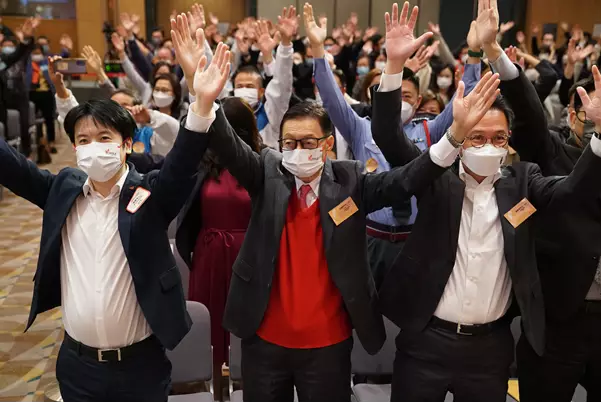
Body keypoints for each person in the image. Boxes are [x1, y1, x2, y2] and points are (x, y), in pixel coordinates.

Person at [377, 2, 602, 402]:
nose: (488, 145)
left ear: (509, 143)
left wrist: (599, 138)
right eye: (477, 137)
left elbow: (569, 191)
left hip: (489, 350)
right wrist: (394, 65)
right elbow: (390, 139)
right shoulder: (437, 178)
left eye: (499, 138)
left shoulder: (522, 182)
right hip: (426, 342)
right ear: (461, 141)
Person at [0, 38, 232, 402]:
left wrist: (202, 105)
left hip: (140, 366)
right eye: (84, 140)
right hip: (78, 366)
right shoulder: (63, 190)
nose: (93, 147)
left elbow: (181, 165)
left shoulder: (149, 194)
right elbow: (14, 169)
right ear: (74, 148)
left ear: (125, 144)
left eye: (104, 137)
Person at [311, 1, 481, 288]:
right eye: (395, 94)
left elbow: (463, 102)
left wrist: (474, 55)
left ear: (418, 101)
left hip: (415, 238)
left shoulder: (430, 130)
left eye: (407, 96)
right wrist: (318, 51)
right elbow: (331, 99)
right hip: (370, 236)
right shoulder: (361, 128)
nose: (400, 101)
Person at [497, 25, 602, 403]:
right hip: (559, 321)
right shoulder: (551, 152)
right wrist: (496, 55)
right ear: (573, 115)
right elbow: (527, 115)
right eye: (591, 115)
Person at [175, 95, 262, 399]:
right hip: (210, 253)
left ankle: (249, 385)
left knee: (250, 322)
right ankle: (214, 388)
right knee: (210, 322)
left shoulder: (260, 162)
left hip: (249, 253)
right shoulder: (202, 160)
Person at [50, 56, 180, 157]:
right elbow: (73, 116)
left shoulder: (147, 136)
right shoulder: (97, 134)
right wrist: (59, 85)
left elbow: (173, 132)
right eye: (114, 106)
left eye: (125, 105)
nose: (118, 110)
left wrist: (149, 117)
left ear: (135, 110)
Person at [230, 10, 296, 149]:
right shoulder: (226, 115)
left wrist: (285, 45)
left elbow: (281, 85)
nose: (244, 90)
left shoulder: (272, 114)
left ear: (261, 91)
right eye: (239, 86)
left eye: (249, 86)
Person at [27, 44, 57, 153]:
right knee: (32, 120)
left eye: (38, 53)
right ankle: (38, 143)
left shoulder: (46, 62)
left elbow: (60, 58)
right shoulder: (27, 64)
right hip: (32, 94)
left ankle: (51, 142)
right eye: (34, 53)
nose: (36, 55)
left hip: (46, 94)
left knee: (49, 119)